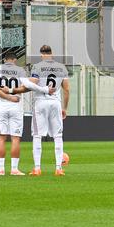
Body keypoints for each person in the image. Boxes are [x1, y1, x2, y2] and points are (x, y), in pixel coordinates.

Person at [26, 46, 69, 175]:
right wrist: (64, 108)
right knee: (58, 136)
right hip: (55, 102)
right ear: (51, 54)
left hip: (40, 102)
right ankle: (58, 169)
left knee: (37, 135)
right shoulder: (61, 67)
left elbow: (32, 83)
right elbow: (66, 89)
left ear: (41, 54)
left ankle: (37, 168)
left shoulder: (37, 66)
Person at [0, 51, 31, 175]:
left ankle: (1, 169)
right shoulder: (20, 70)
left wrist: (6, 96)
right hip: (16, 105)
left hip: (1, 105)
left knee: (1, 138)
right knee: (15, 138)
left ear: (4, 60)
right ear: (15, 60)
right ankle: (14, 169)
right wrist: (12, 93)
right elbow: (27, 87)